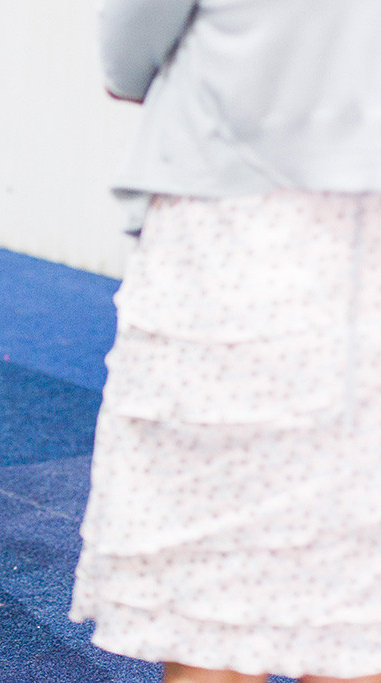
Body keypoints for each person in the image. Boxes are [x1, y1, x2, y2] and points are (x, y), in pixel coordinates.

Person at [70, 1, 381, 682]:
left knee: (210, 593)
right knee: (355, 600)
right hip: (365, 244)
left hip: (227, 237)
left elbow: (125, 58)